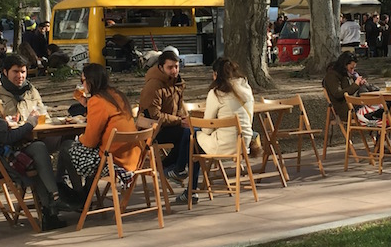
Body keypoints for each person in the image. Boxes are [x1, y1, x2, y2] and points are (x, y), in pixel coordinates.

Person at [0, 63, 69, 231]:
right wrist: (30, 123)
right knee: (36, 154)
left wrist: (6, 123)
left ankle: (52, 205)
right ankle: (53, 202)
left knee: (37, 150)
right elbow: (7, 138)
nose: (0, 84)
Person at [57, 64, 140, 199]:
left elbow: (90, 141)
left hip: (113, 161)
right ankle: (82, 192)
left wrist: (80, 139)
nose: (82, 84)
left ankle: (79, 196)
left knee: (67, 147)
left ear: (90, 81)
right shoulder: (117, 95)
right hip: (131, 157)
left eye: (82, 81)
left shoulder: (97, 100)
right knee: (82, 149)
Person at [181, 58, 257, 205]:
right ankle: (180, 176)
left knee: (191, 136)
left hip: (223, 144)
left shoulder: (216, 93)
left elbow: (207, 129)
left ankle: (186, 181)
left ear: (215, 74)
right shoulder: (246, 90)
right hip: (243, 143)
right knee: (194, 137)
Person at [138, 50, 190, 182]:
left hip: (169, 125)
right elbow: (155, 116)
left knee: (194, 133)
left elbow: (179, 108)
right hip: (153, 130)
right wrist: (179, 121)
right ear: (161, 67)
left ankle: (173, 167)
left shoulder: (177, 83)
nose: (174, 70)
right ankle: (169, 167)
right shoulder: (154, 85)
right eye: (170, 67)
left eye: (176, 66)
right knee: (187, 135)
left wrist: (185, 118)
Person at [0, 53, 44, 120]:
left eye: (23, 72)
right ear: (5, 72)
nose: (20, 76)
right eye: (15, 72)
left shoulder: (31, 92)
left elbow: (45, 117)